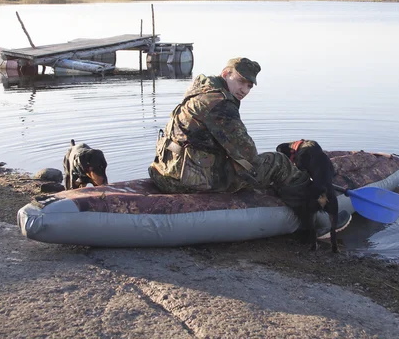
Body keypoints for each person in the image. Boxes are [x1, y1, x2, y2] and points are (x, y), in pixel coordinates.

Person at [148, 57, 350, 230]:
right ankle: (319, 219)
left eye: (249, 86)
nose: (244, 90)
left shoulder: (200, 90)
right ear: (226, 73)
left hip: (164, 170)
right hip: (188, 180)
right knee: (277, 162)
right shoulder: (221, 105)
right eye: (241, 82)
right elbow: (249, 155)